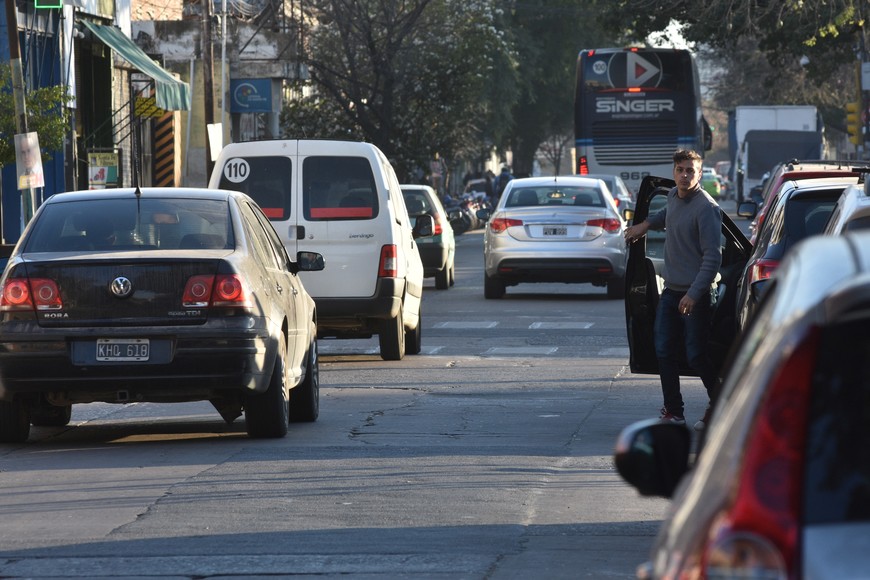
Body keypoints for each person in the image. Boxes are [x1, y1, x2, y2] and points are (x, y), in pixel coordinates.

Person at [623, 149, 722, 431]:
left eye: (690, 170)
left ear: (700, 173)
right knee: (663, 350)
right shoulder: (673, 196)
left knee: (695, 355)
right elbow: (666, 214)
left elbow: (713, 258)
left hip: (697, 294)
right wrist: (644, 225)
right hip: (671, 291)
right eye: (680, 169)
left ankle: (721, 405)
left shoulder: (707, 209)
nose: (684, 175)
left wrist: (693, 293)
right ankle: (674, 411)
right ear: (674, 171)